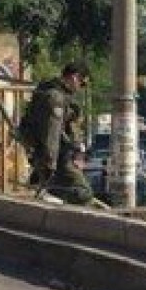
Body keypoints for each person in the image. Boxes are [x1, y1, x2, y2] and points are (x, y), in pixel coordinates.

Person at [19, 62, 94, 206]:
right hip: (56, 159)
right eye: (82, 84)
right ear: (74, 77)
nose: (80, 88)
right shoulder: (55, 98)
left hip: (55, 156)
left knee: (77, 194)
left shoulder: (53, 93)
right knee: (84, 193)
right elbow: (51, 135)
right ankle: (46, 191)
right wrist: (49, 166)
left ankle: (45, 191)